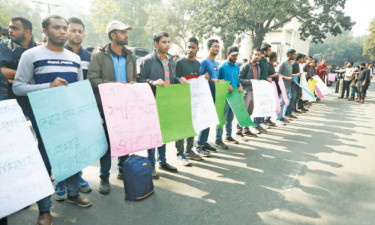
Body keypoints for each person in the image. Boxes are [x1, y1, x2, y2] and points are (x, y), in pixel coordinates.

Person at [13, 15, 90, 225]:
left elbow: (80, 90)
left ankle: (73, 194)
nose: (63, 32)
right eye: (57, 28)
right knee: (45, 162)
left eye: (64, 28)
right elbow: (17, 87)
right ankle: (44, 209)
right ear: (45, 31)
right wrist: (47, 86)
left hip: (71, 118)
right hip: (45, 118)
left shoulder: (74, 58)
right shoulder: (31, 55)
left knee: (74, 155)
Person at [87, 20, 137, 193]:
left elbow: (135, 79)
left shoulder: (130, 55)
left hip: (126, 107)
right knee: (107, 145)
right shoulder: (99, 56)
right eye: (123, 32)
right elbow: (92, 80)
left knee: (125, 142)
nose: (126, 35)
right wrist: (115, 85)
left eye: (126, 32)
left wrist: (132, 84)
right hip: (107, 107)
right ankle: (104, 178)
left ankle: (123, 171)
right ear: (113, 35)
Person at [54, 17, 92, 201]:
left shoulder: (88, 56)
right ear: (67, 33)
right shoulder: (59, 52)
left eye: (79, 31)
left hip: (81, 107)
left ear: (84, 35)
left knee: (78, 146)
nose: (76, 34)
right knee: (61, 146)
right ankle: (60, 180)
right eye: (72, 30)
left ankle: (76, 177)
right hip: (60, 109)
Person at [138, 31, 184, 177]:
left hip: (167, 102)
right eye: (164, 42)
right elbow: (140, 80)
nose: (167, 44)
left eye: (168, 42)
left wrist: (179, 80)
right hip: (153, 102)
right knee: (152, 135)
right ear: (156, 44)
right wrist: (153, 82)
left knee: (163, 133)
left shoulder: (171, 60)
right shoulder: (147, 60)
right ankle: (151, 165)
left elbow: (172, 77)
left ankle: (162, 161)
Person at [174, 37, 206, 166]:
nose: (190, 50)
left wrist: (204, 78)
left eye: (193, 47)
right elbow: (173, 78)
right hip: (181, 100)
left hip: (194, 101)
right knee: (181, 127)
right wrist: (178, 79)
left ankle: (189, 151)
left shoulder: (198, 64)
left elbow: (197, 81)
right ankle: (180, 153)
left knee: (192, 126)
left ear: (197, 49)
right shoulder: (179, 63)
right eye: (189, 47)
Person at [215, 46, 243, 148]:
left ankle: (228, 136)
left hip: (234, 95)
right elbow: (217, 81)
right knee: (222, 117)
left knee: (230, 117)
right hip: (224, 96)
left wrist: (240, 85)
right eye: (233, 55)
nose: (235, 57)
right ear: (228, 54)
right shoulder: (222, 67)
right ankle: (218, 139)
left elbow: (235, 79)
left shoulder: (237, 67)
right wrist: (226, 86)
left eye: (236, 55)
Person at [196, 39, 221, 151]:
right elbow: (199, 77)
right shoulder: (205, 62)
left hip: (215, 95)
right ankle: (199, 145)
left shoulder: (216, 63)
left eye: (218, 46)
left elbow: (217, 78)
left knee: (210, 119)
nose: (217, 48)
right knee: (204, 120)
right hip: (205, 96)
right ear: (208, 48)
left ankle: (205, 142)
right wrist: (207, 79)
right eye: (214, 46)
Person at [237, 48, 261, 135]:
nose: (257, 56)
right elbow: (239, 79)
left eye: (259, 55)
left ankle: (246, 129)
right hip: (246, 91)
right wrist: (250, 81)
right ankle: (239, 129)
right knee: (243, 110)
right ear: (252, 55)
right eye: (256, 54)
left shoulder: (258, 67)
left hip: (254, 92)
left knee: (250, 111)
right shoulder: (246, 66)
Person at [277, 49, 299, 123]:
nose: (295, 56)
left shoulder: (290, 64)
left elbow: (289, 74)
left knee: (284, 102)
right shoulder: (283, 63)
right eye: (294, 54)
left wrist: (294, 75)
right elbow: (277, 74)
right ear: (289, 54)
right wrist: (286, 78)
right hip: (283, 85)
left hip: (288, 86)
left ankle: (281, 117)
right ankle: (278, 118)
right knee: (281, 102)